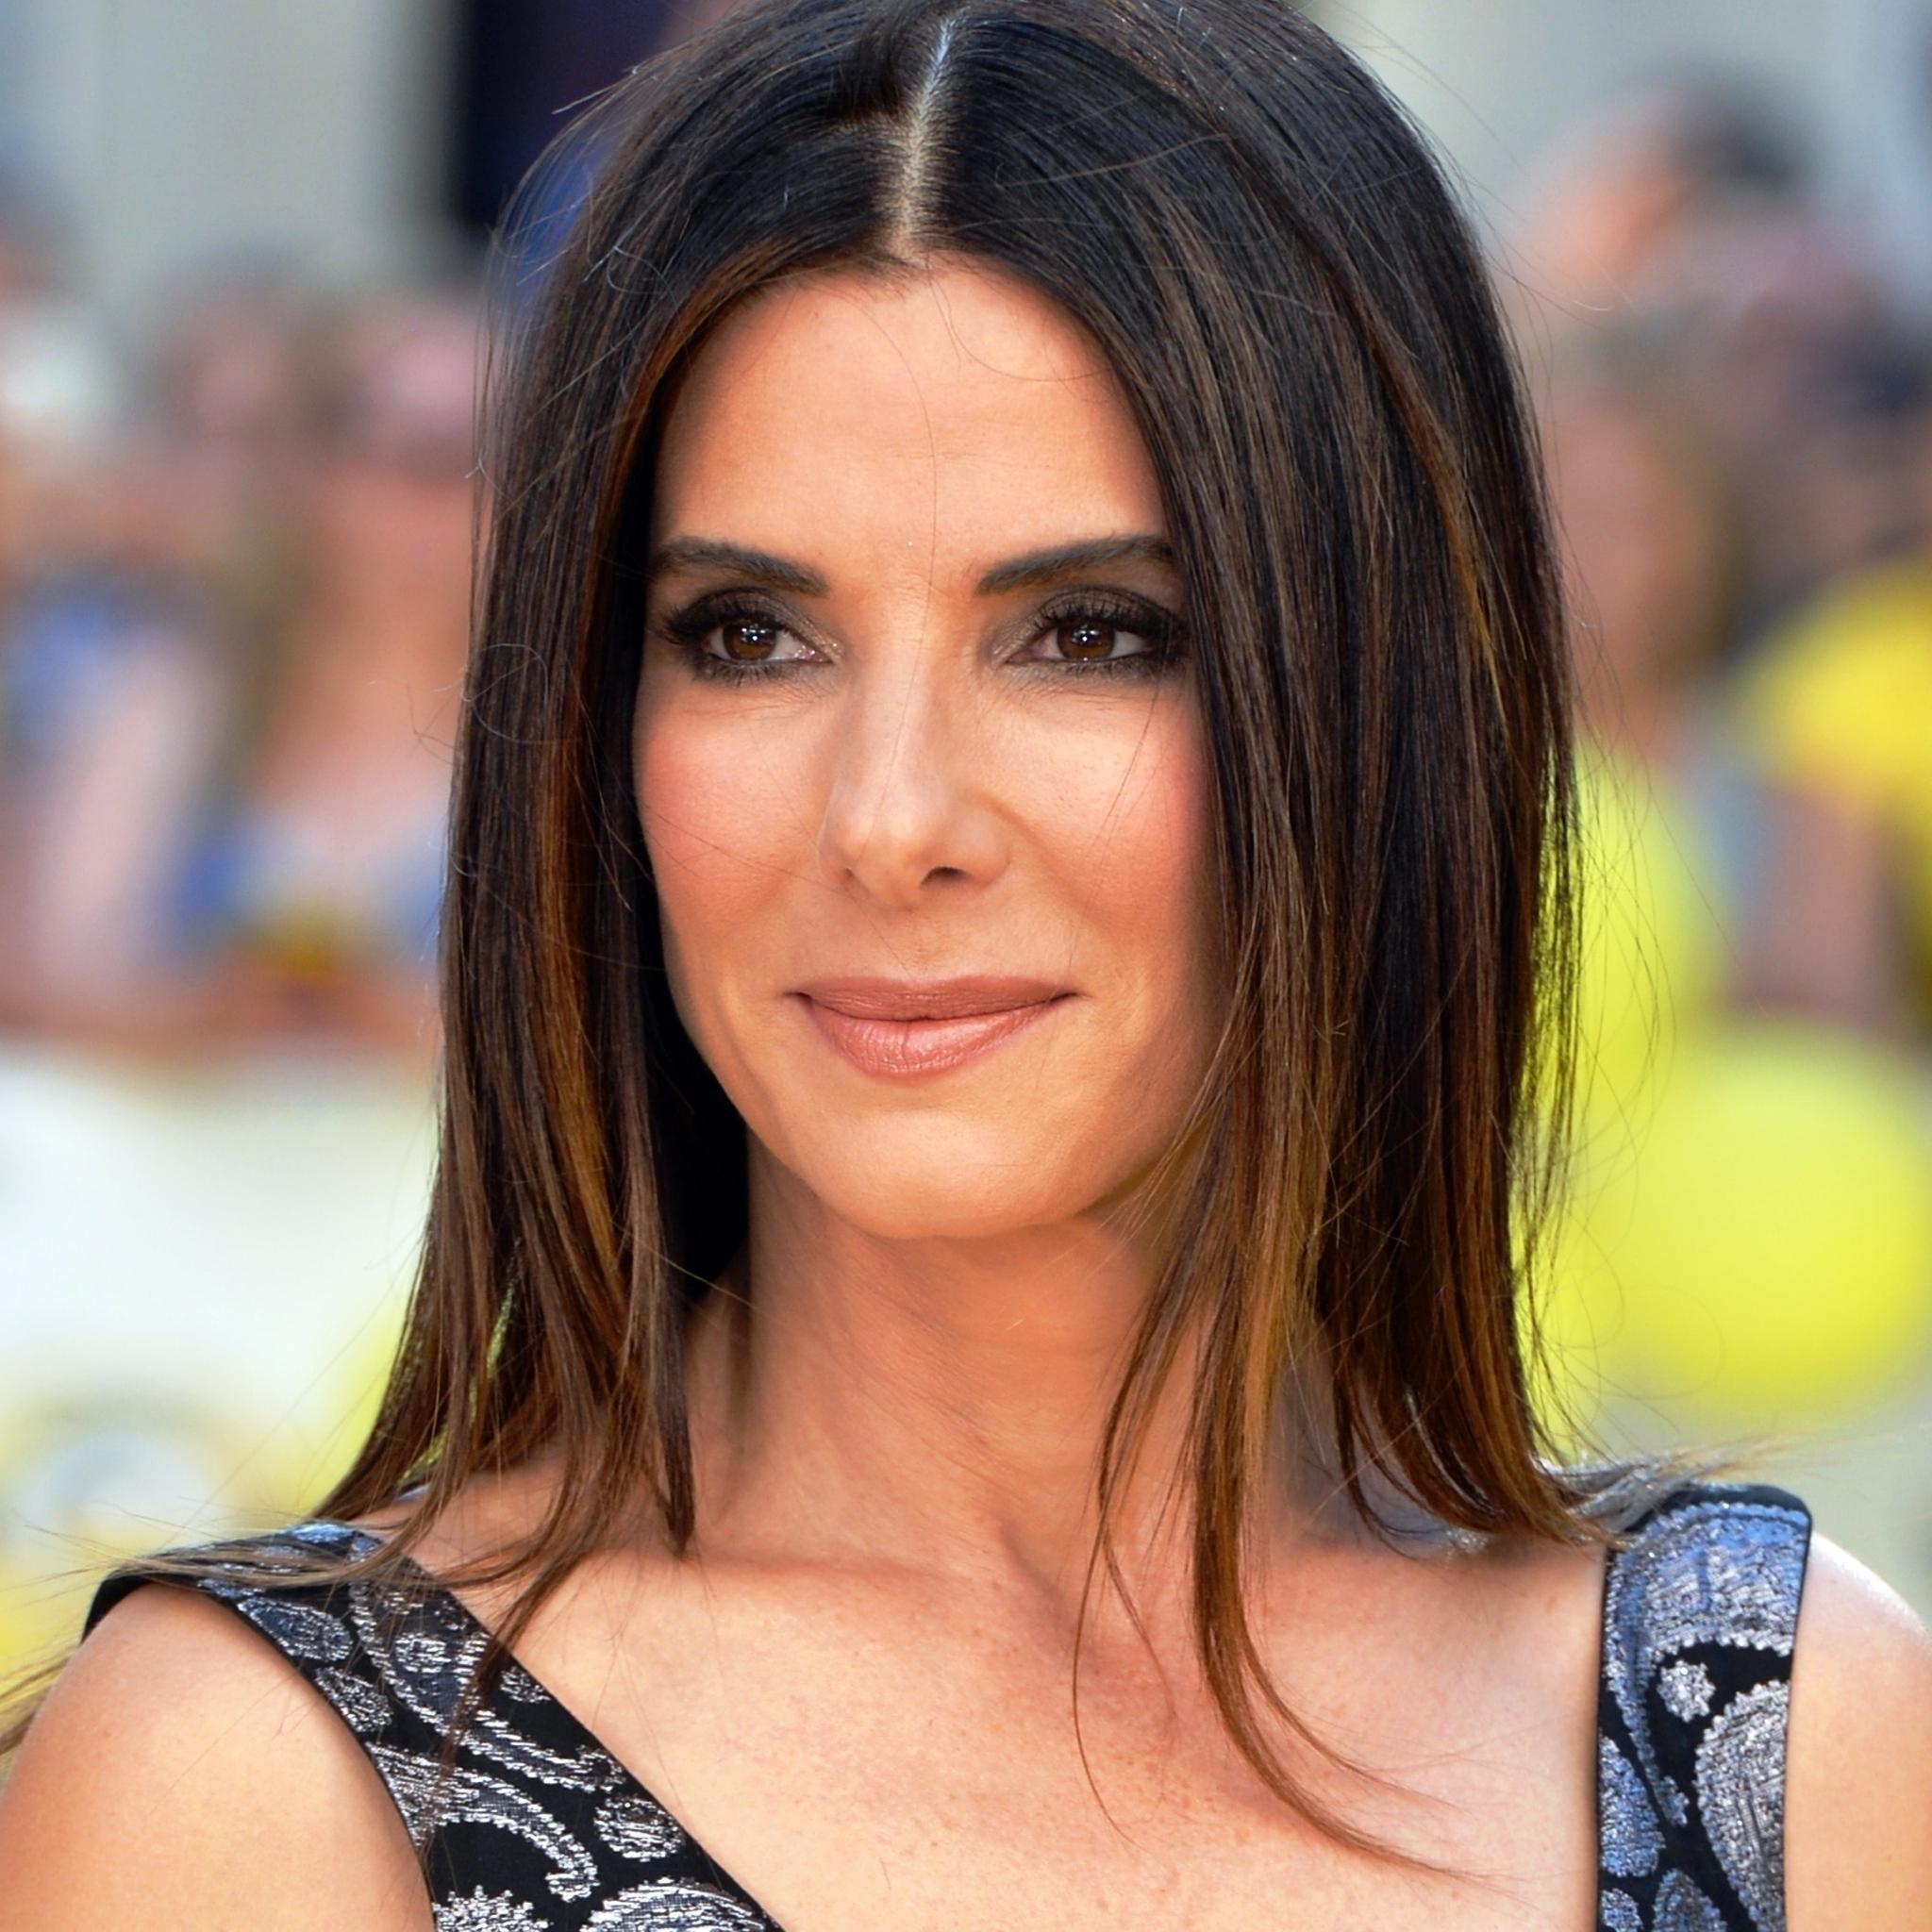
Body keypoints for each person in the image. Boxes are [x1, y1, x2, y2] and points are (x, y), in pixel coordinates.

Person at [2, 4, 1928, 1928]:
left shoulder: (1776, 1735)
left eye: (1091, 632)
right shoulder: (253, 1788)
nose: (889, 817)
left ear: (1381, 694)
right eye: (747, 635)